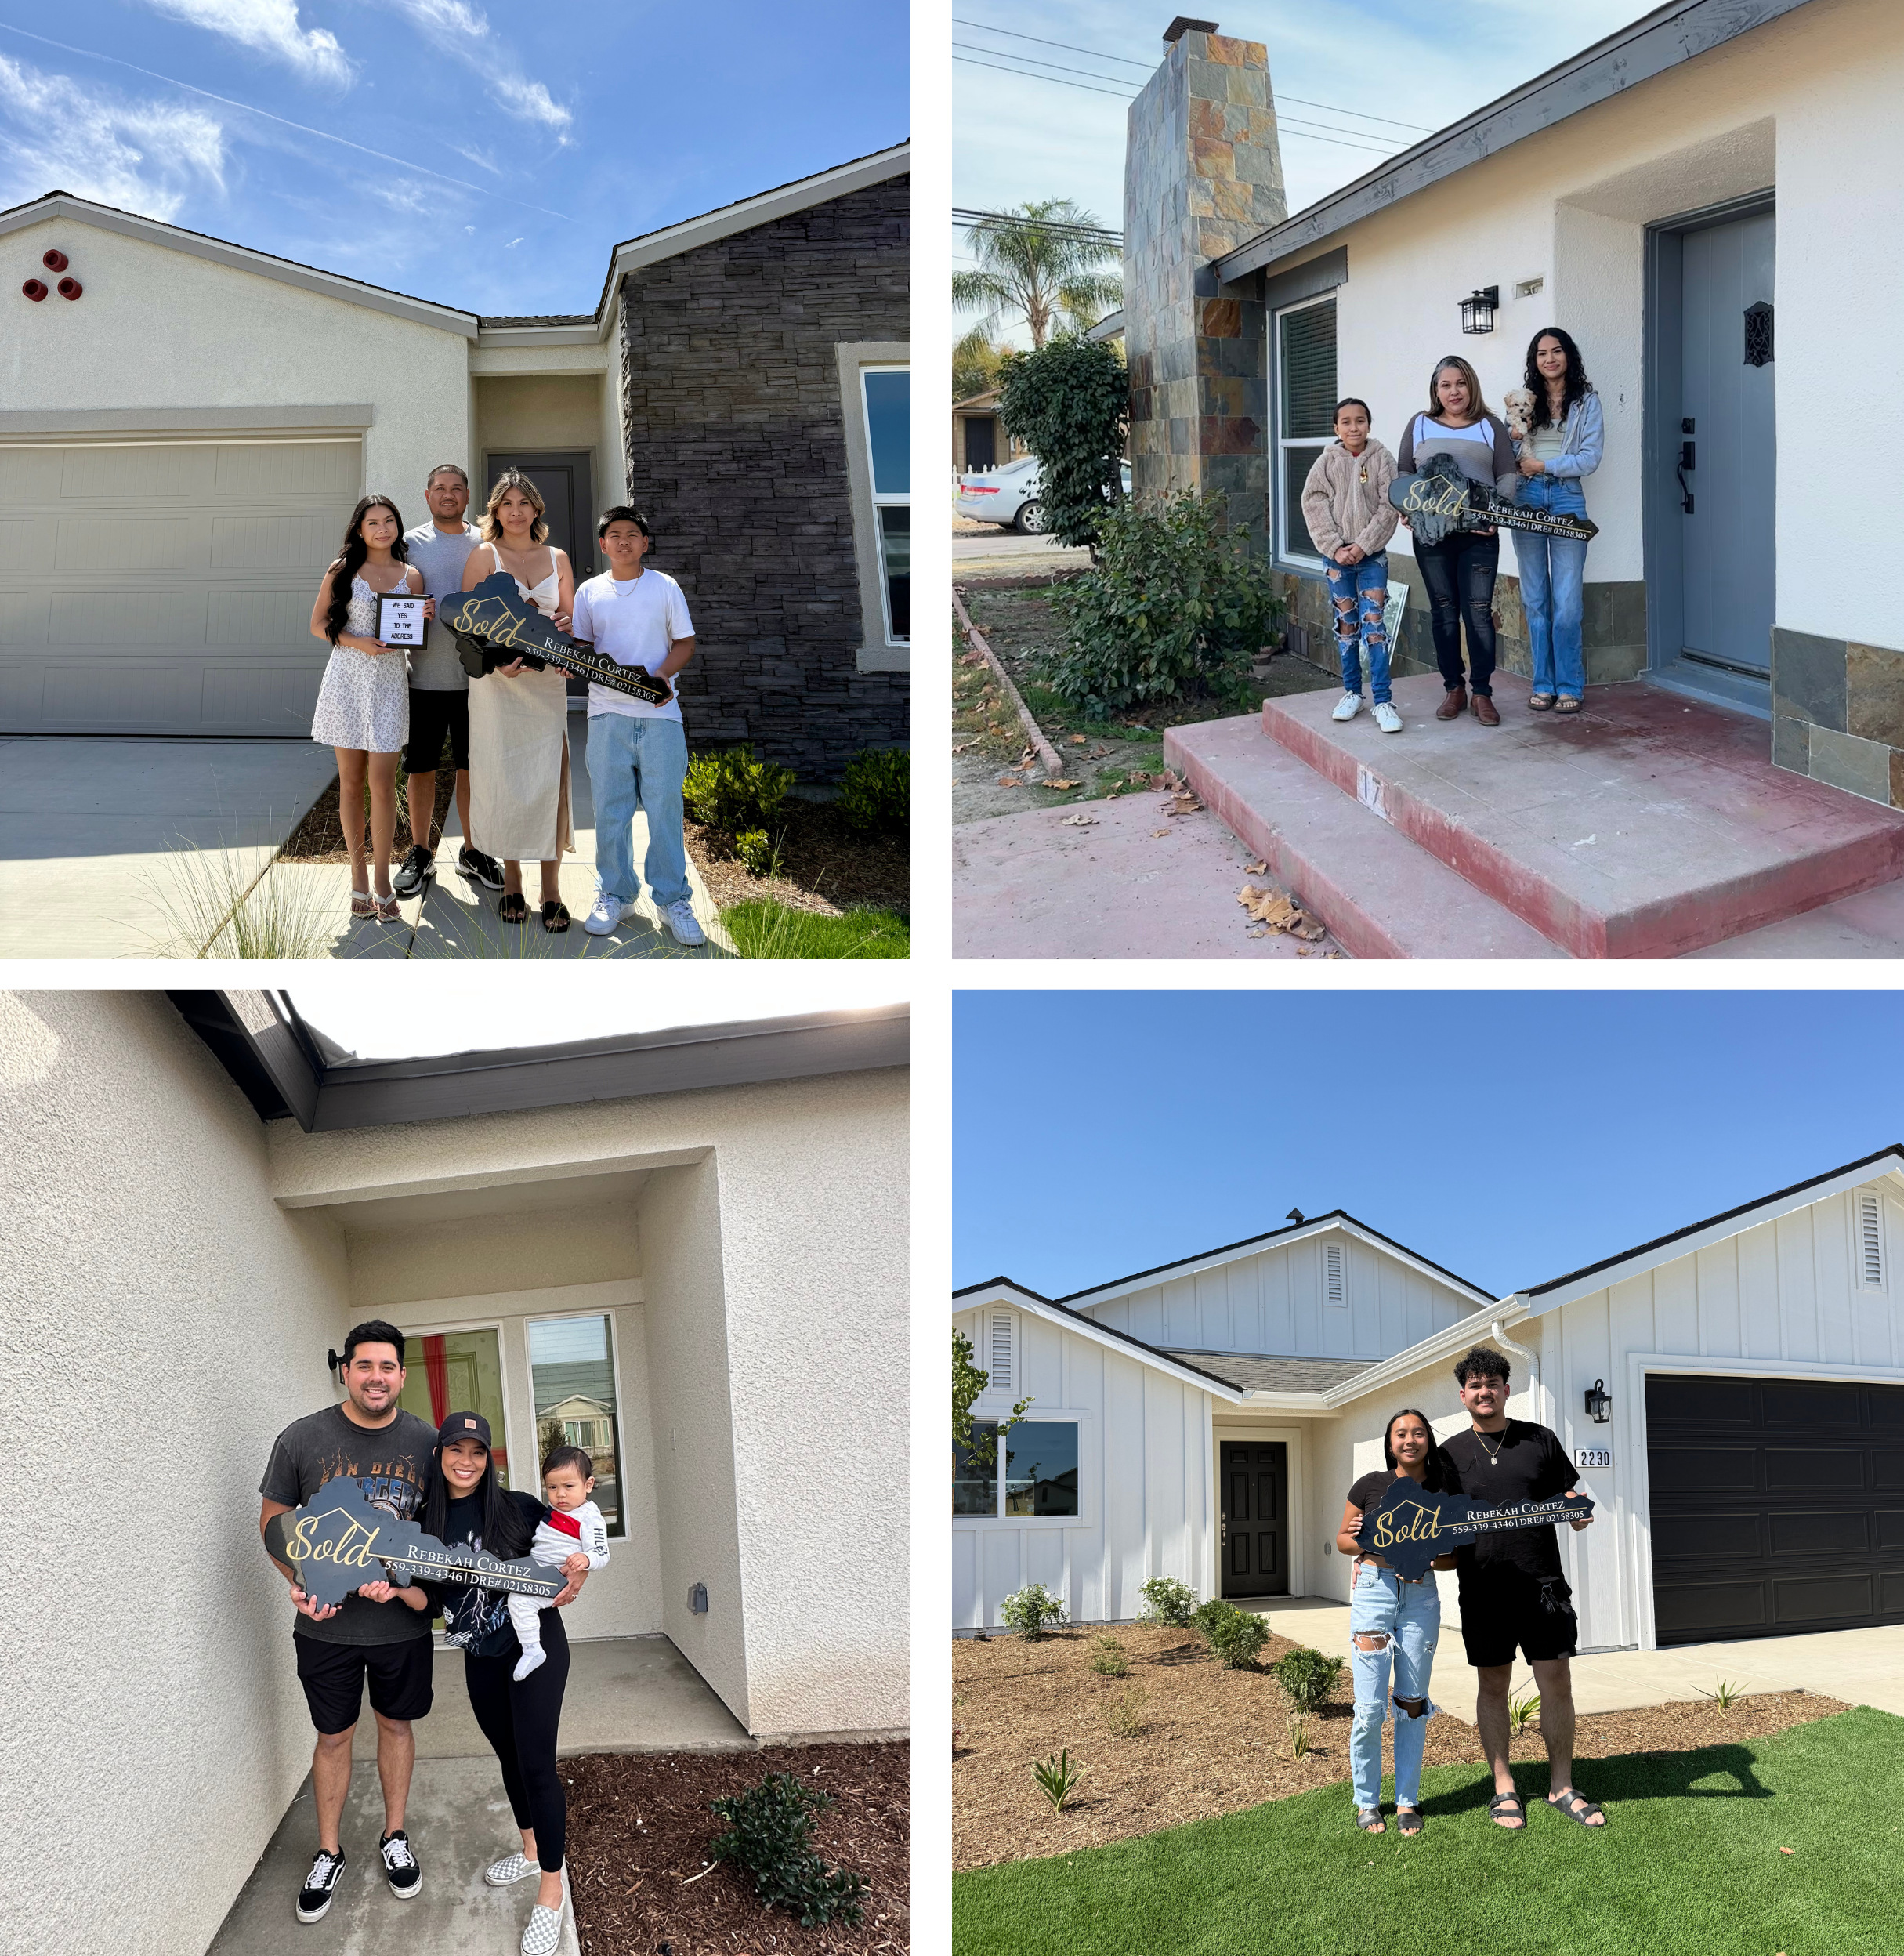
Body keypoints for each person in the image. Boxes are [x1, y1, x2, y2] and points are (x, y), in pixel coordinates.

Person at [258, 1320, 440, 1924]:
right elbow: (273, 1525)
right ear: (346, 1370)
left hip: (400, 1630)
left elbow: (446, 1529)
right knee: (334, 1736)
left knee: (396, 1727)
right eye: (364, 1366)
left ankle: (393, 1837)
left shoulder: (427, 1442)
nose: (376, 1377)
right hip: (326, 1627)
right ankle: (328, 1850)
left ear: (402, 1375)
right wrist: (299, 1584)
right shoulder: (302, 1439)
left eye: (387, 1367)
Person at [418, 1412, 592, 1956]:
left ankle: (550, 1886)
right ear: (440, 1454)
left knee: (537, 1763)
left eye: (477, 1452)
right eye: (456, 1450)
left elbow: (576, 1525)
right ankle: (529, 1848)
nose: (466, 1462)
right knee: (509, 1757)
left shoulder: (518, 1507)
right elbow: (425, 1599)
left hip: (536, 1648)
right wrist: (392, 1594)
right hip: (479, 1657)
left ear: (488, 1458)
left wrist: (580, 1572)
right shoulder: (424, 1521)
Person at [1439, 1345, 1606, 1831]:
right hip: (1484, 1590)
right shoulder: (1450, 1456)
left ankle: (1561, 1785)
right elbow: (1438, 1525)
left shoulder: (1540, 1440)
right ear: (1463, 1395)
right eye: (1475, 1385)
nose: (1484, 1391)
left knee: (1558, 1682)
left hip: (1543, 1587)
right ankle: (1504, 1787)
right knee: (1492, 1685)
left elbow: (1569, 1496)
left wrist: (1578, 1510)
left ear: (1507, 1390)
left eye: (1492, 1384)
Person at [568, 505, 706, 947]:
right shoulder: (590, 592)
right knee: (611, 809)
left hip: (661, 716)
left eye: (632, 534)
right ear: (603, 544)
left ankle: (672, 899)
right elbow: (582, 648)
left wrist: (662, 677)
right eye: (614, 534)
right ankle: (616, 893)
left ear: (645, 543)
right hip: (607, 713)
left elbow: (685, 643)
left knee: (665, 808)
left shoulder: (664, 587)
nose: (623, 541)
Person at [461, 471, 577, 932]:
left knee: (549, 778)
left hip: (546, 684)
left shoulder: (559, 557)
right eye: (506, 503)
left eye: (523, 502)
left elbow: (569, 618)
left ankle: (551, 890)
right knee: (505, 779)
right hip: (497, 685)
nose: (515, 511)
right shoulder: (483, 555)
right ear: (495, 511)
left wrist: (567, 638)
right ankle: (512, 883)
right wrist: (497, 662)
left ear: (536, 510)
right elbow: (467, 626)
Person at [1335, 1408, 1457, 1835]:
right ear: (1390, 1443)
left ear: (1428, 1440)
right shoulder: (1370, 1485)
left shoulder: (1443, 1490)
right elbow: (1343, 1540)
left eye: (1418, 1433)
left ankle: (1407, 1800)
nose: (1410, 1440)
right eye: (1401, 1434)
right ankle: (1367, 1801)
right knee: (1369, 1708)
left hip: (1420, 1597)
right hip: (1374, 1591)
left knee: (1411, 1703)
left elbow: (1453, 1556)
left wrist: (1422, 1555)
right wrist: (1364, 1542)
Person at [308, 497, 423, 921]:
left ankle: (381, 878)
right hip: (346, 683)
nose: (382, 528)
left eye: (389, 521)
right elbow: (318, 624)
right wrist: (358, 642)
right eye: (373, 522)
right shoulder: (341, 570)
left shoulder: (411, 575)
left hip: (391, 685)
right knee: (352, 785)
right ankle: (357, 876)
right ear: (360, 529)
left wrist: (421, 616)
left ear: (397, 526)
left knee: (383, 785)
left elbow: (409, 634)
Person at [395, 464, 504, 898]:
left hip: (478, 682)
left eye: (456, 489)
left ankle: (473, 851)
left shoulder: (487, 543)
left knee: (471, 767)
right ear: (427, 496)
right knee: (420, 768)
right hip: (420, 678)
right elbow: (389, 596)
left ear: (467, 495)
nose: (448, 495)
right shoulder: (408, 544)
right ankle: (420, 852)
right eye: (440, 488)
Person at [1395, 357, 1521, 726]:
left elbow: (1507, 475)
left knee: (1479, 614)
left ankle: (1481, 692)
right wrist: (1406, 508)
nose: (1454, 391)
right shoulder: (1418, 424)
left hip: (1478, 536)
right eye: (1446, 385)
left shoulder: (1490, 425)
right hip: (1432, 537)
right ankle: (1454, 688)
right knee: (1444, 613)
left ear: (1472, 386)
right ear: (1436, 390)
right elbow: (1405, 474)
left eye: (1461, 383)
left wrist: (1497, 515)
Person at [1512, 328, 1603, 715]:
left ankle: (1569, 685)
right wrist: (1516, 442)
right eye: (1541, 353)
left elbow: (1589, 458)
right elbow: (1510, 452)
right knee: (1536, 600)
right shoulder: (1523, 402)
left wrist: (1544, 465)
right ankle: (1544, 684)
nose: (1549, 359)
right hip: (1527, 497)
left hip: (1566, 496)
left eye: (1556, 351)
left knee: (1567, 604)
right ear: (1534, 360)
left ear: (1569, 355)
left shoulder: (1587, 402)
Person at [1300, 399, 1402, 733]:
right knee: (1347, 625)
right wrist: (1336, 547)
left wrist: (1363, 545)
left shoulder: (1383, 459)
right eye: (1346, 422)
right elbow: (1313, 503)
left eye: (1360, 421)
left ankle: (1384, 700)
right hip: (1337, 560)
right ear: (1336, 428)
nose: (1353, 427)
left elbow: (1390, 505)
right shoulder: (1326, 462)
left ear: (1369, 425)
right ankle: (1353, 693)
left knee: (1374, 624)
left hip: (1372, 559)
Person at [508, 1443, 611, 1681]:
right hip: (536, 1567)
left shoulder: (589, 1518)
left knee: (519, 1601)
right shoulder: (556, 1509)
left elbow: (602, 1553)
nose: (560, 1494)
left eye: (568, 1486)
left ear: (588, 1485)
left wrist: (586, 1559)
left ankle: (533, 1650)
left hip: (555, 1577)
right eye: (552, 1487)